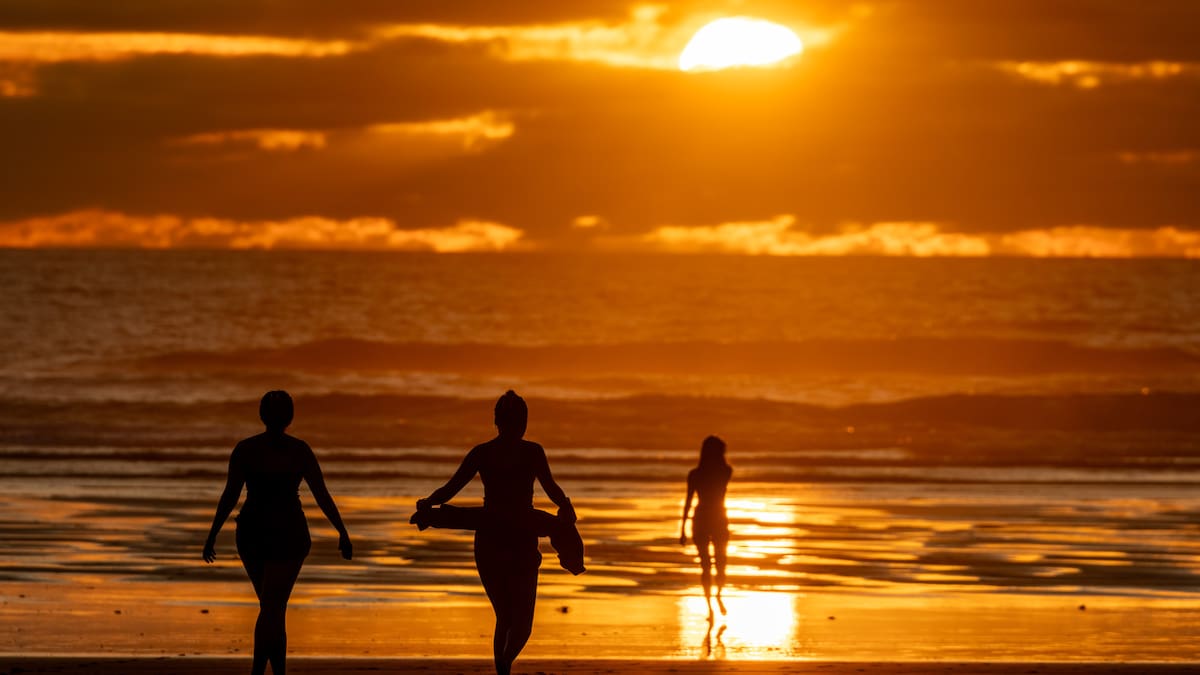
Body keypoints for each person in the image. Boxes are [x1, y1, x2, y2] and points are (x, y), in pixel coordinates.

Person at [415, 390, 576, 675]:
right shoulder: (532, 452)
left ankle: (502, 669)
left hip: (489, 536)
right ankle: (504, 664)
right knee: (522, 622)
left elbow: (450, 489)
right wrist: (565, 506)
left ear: (496, 421)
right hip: (520, 536)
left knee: (504, 616)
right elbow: (551, 488)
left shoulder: (482, 453)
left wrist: (429, 503)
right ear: (523, 422)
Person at [203, 390, 352, 675]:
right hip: (284, 532)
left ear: (261, 415)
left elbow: (230, 496)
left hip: (256, 532)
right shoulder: (299, 450)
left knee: (271, 607)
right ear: (290, 418)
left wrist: (212, 535)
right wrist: (341, 532)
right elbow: (321, 494)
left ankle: (263, 672)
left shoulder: (246, 449)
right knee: (273, 607)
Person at [679, 435, 732, 621]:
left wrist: (683, 529)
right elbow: (688, 501)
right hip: (718, 517)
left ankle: (712, 603)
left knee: (707, 566)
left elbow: (688, 502)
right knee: (720, 563)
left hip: (701, 517)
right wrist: (682, 529)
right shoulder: (725, 471)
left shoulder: (695, 474)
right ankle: (715, 599)